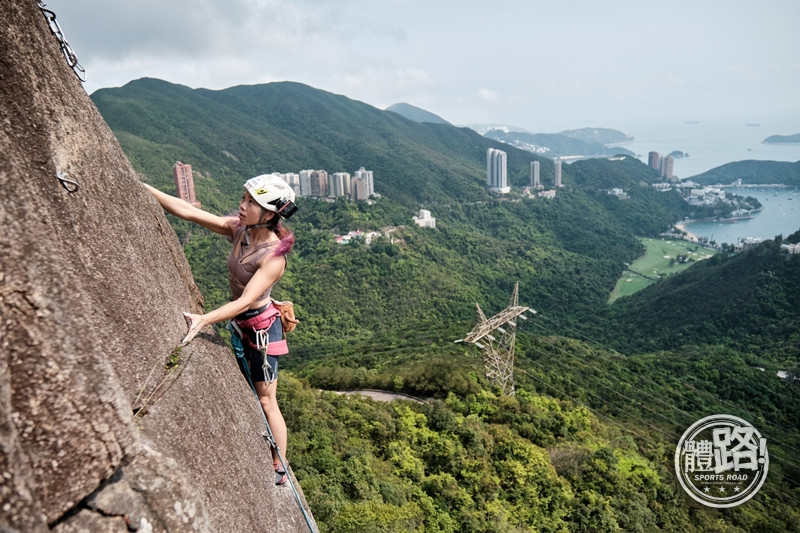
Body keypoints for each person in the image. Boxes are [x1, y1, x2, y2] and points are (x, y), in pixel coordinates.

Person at [145, 174, 298, 486]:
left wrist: (203, 320)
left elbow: (245, 300)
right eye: (243, 199)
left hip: (262, 332)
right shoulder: (239, 231)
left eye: (250, 203)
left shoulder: (273, 256)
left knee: (267, 400)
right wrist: (144, 187)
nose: (241, 207)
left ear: (268, 214)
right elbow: (187, 211)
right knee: (253, 393)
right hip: (241, 325)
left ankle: (280, 464)